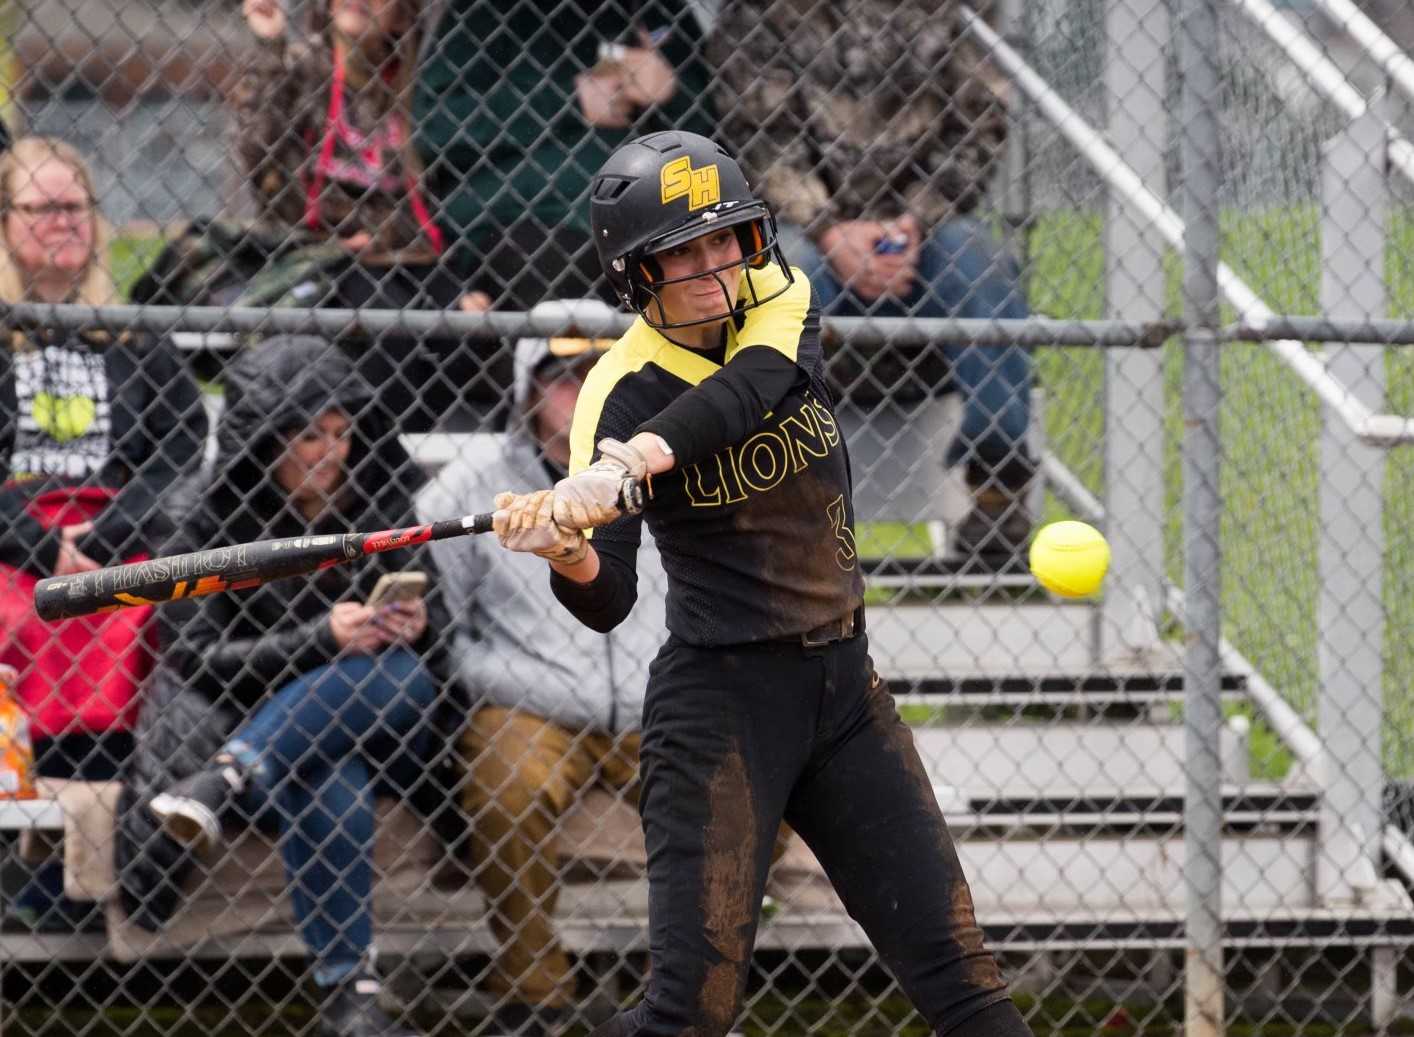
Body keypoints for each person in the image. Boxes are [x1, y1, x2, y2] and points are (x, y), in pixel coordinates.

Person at [490, 131, 1033, 1037]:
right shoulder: (616, 393)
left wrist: (635, 460)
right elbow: (609, 597)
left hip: (847, 696)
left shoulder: (779, 295)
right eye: (683, 251)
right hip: (721, 712)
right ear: (636, 271)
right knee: (686, 1020)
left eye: (727, 238)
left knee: (965, 983)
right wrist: (564, 546)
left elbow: (748, 391)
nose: (715, 267)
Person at [119, 336, 456, 1037]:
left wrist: (420, 624)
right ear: (266, 440)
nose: (331, 452)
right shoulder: (199, 516)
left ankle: (228, 773)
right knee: (330, 777)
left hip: (382, 723)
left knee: (400, 672)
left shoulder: (380, 498)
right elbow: (196, 657)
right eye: (308, 436)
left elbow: (438, 656)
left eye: (341, 432)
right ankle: (353, 999)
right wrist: (320, 640)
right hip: (263, 727)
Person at [709, 0, 1036, 563]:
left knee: (979, 266)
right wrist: (830, 230)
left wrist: (915, 220)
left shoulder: (952, 9)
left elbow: (979, 120)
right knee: (784, 282)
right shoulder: (764, 11)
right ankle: (778, 498)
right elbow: (758, 135)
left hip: (924, 228)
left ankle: (996, 492)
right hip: (806, 226)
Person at [417, 334, 667, 1037]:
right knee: (507, 784)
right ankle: (536, 995)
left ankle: (684, 992)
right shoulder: (471, 484)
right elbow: (442, 629)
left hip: (659, 700)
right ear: (526, 390)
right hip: (532, 702)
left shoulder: (665, 470)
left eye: (597, 373)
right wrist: (500, 676)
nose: (581, 391)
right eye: (562, 377)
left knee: (744, 774)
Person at [0, 136, 208, 931]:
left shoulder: (130, 332)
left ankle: (83, 865)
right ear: (7, 219)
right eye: (42, 207)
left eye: (75, 206)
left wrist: (109, 533)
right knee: (25, 616)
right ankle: (33, 857)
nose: (63, 221)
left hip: (115, 537)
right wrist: (39, 545)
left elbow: (182, 446)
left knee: (127, 620)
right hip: (17, 538)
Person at [412, 0, 714, 311]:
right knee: (554, 265)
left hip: (645, 226)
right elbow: (435, 126)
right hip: (526, 221)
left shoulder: (657, 10)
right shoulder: (488, 11)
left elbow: (709, 140)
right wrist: (569, 100)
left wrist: (670, 93)